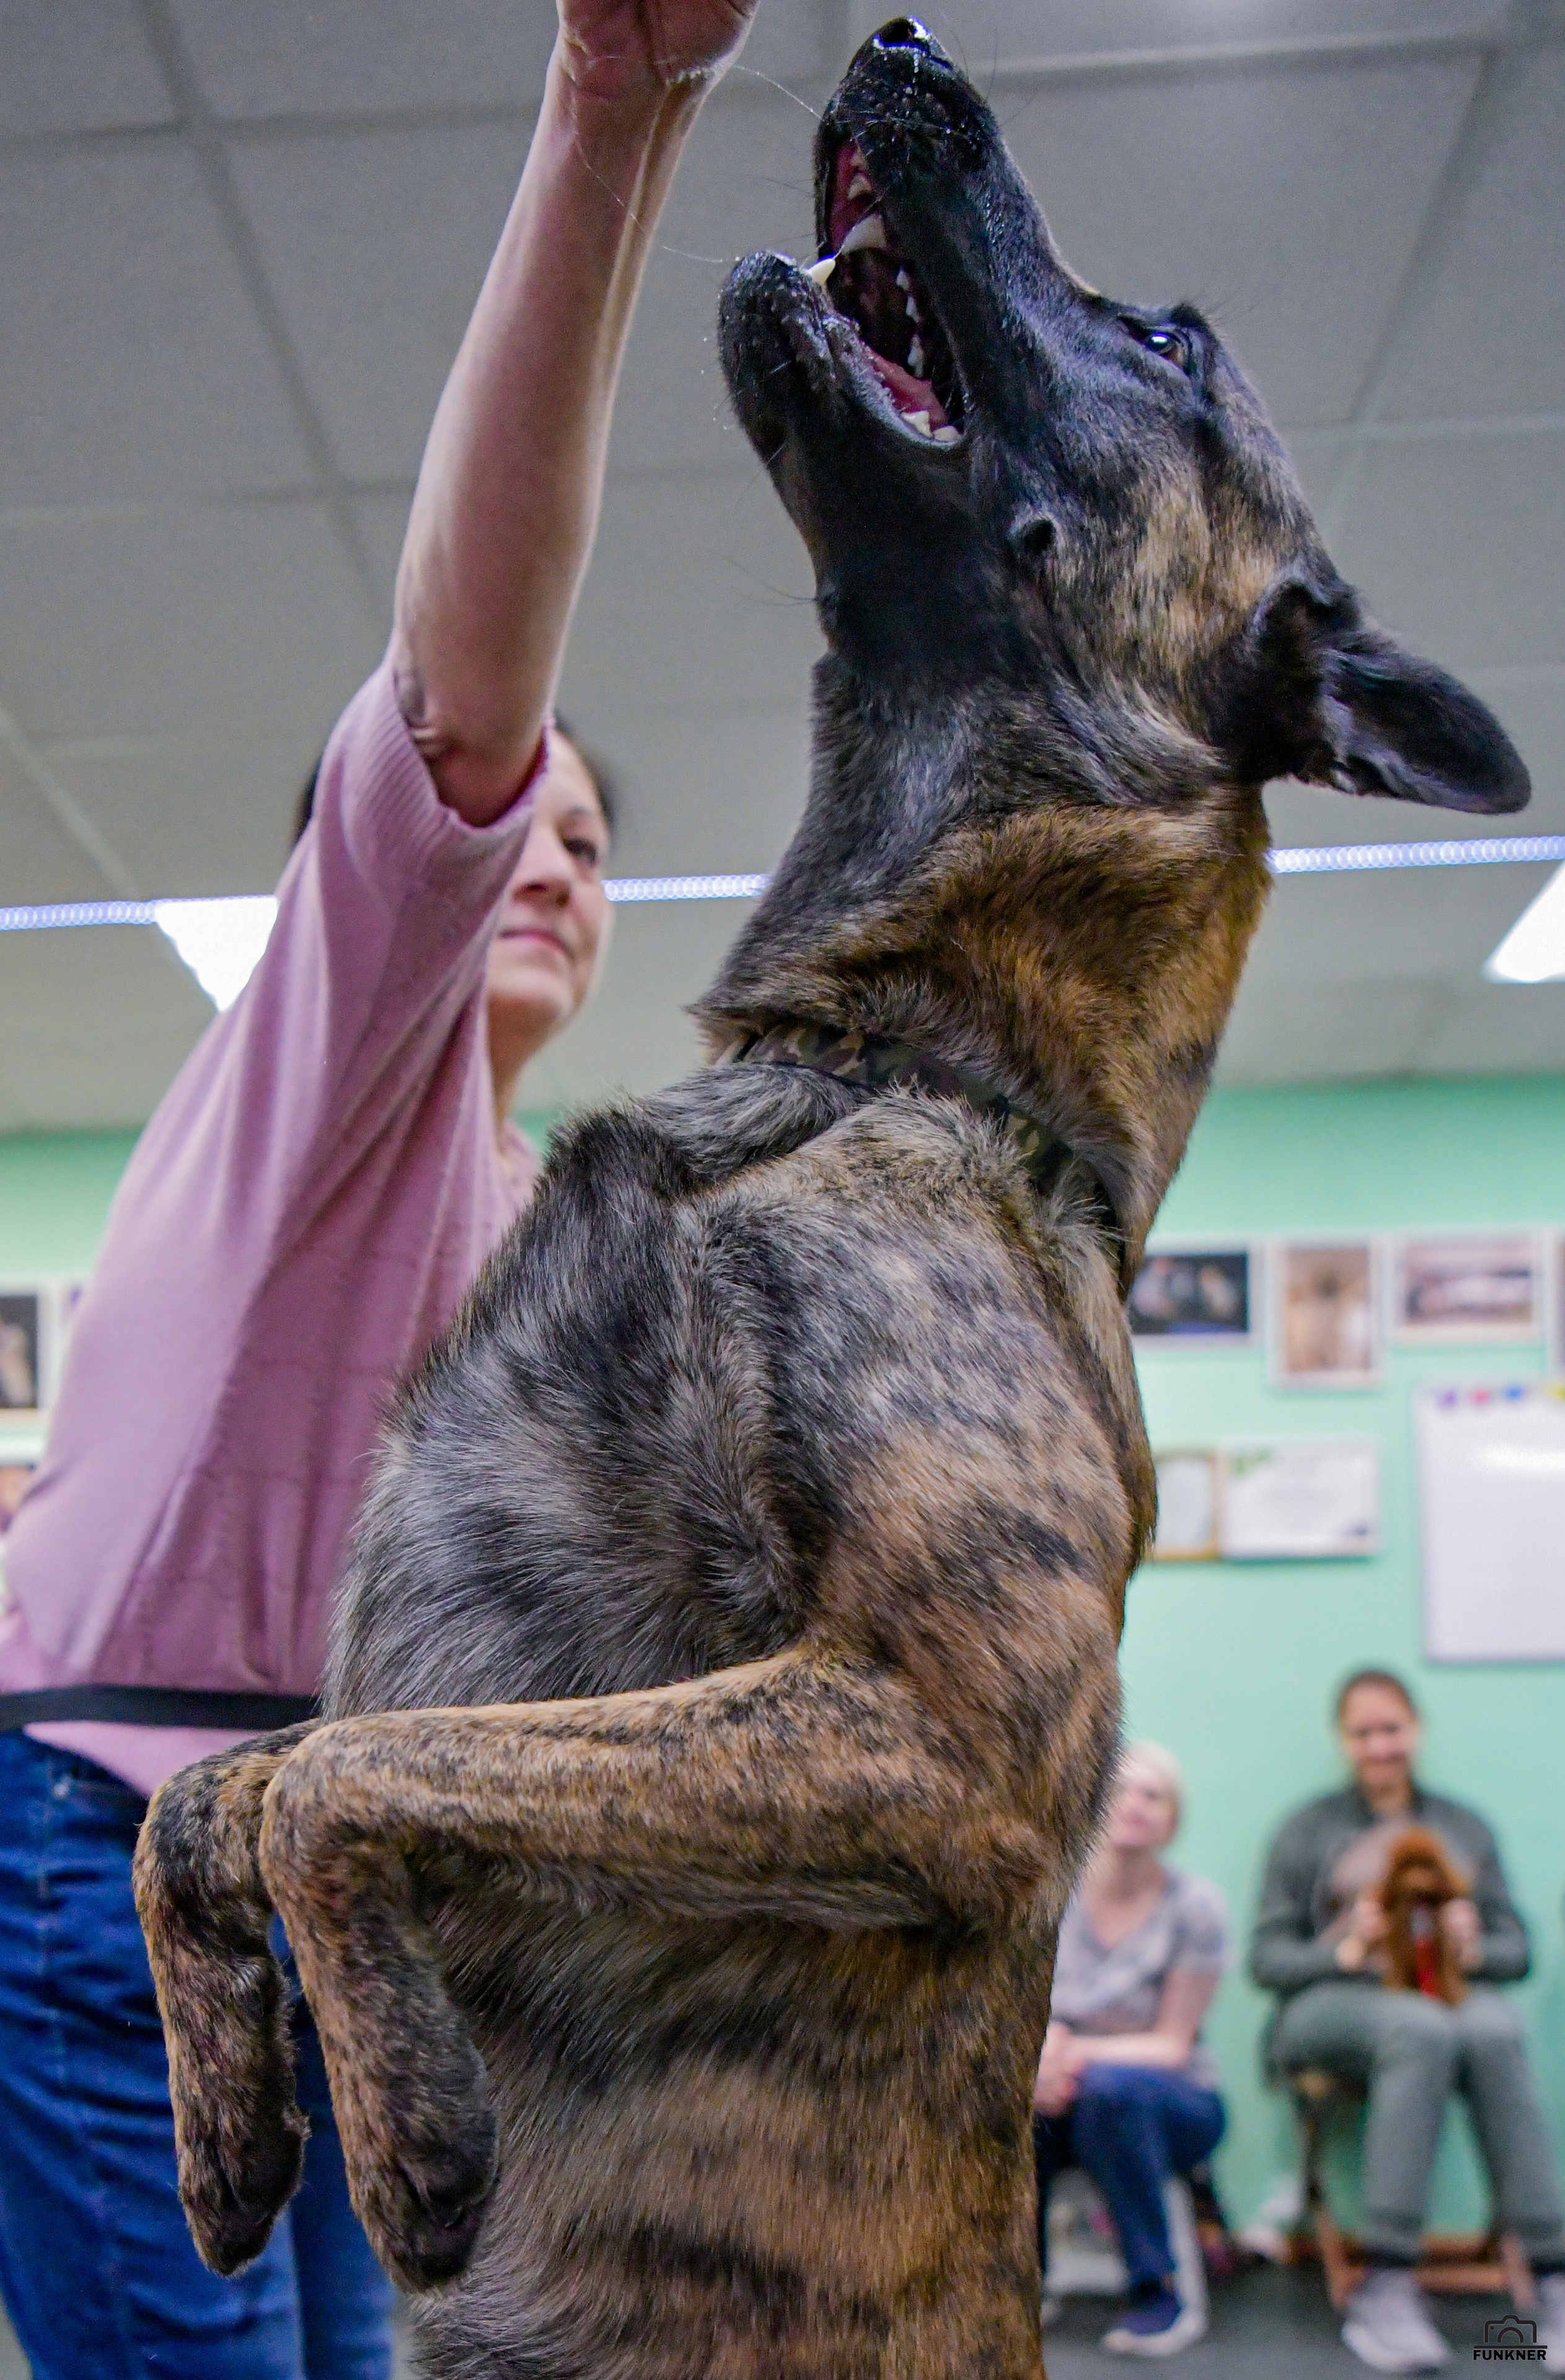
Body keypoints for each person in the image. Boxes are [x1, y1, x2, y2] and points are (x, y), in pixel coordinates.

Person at [0, 0, 758, 2371]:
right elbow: (461, 692)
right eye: (527, 827)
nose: (552, 860)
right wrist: (613, 111)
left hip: (353, 1882)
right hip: (126, 1844)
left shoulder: (544, 1219)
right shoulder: (342, 1055)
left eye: (597, 853)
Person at [1252, 1668, 1565, 2376]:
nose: (1379, 1745)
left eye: (1391, 1728)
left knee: (1494, 2029)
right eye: (1363, 1732)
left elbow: (1516, 1951)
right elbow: (1266, 1960)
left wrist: (1473, 1945)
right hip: (1330, 2005)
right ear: (1342, 1740)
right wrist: (1344, 1947)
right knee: (1421, 2029)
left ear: (1416, 1731)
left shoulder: (1462, 1827)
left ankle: (1555, 2275)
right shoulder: (1307, 1829)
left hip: (1446, 1995)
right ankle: (1385, 2279)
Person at [1034, 1742, 1229, 2358]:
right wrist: (1040, 2061)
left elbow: (1171, 2045)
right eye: (1120, 1790)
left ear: (1173, 1820)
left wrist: (1068, 2054)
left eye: (1154, 1795)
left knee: (1109, 2092)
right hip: (1064, 2089)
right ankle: (1020, 2283)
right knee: (1011, 2104)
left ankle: (1158, 2293)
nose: (1135, 1804)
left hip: (1172, 2102)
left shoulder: (1194, 1908)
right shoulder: (1051, 1897)